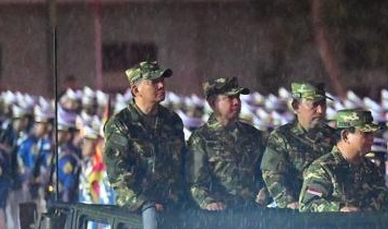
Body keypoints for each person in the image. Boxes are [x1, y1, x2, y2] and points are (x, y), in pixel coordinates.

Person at [103, 60, 187, 212]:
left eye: (162, 80)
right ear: (136, 90)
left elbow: (182, 166)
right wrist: (144, 204)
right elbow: (119, 176)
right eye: (153, 82)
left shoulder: (172, 121)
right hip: (139, 218)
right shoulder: (121, 124)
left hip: (174, 213)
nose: (161, 85)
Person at [188, 76, 268, 210]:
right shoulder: (201, 138)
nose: (236, 102)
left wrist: (266, 191)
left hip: (253, 216)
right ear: (213, 103)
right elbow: (196, 184)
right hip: (220, 219)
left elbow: (266, 174)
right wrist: (208, 202)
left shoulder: (253, 135)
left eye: (238, 97)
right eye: (229, 98)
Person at [298, 109, 388, 212]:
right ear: (346, 136)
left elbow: (385, 202)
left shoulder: (371, 169)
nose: (372, 138)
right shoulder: (324, 168)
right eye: (366, 133)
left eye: (372, 133)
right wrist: (339, 209)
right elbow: (308, 205)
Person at [262, 82, 334, 208]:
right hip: (295, 209)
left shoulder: (335, 137)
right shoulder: (282, 137)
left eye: (323, 104)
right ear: (296, 106)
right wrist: (288, 201)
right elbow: (272, 174)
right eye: (314, 104)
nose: (320, 110)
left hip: (328, 208)